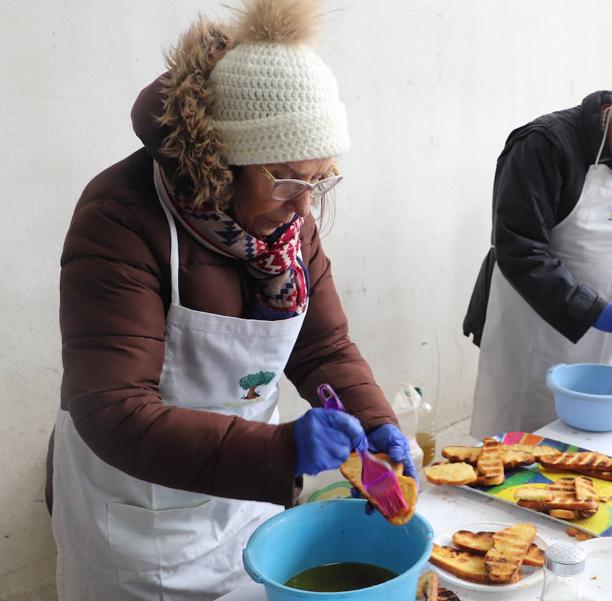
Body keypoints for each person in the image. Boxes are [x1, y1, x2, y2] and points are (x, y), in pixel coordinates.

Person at [49, 2, 415, 599]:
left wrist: (376, 424)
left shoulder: (287, 221)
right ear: (224, 164)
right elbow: (111, 408)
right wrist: (281, 449)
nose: (305, 206)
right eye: (289, 179)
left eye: (321, 179)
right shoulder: (120, 216)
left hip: (244, 496)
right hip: (139, 518)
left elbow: (322, 345)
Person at [463, 76, 612, 437]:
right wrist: (593, 310)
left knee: (581, 448)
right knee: (518, 446)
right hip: (531, 335)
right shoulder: (544, 145)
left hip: (597, 346)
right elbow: (521, 249)